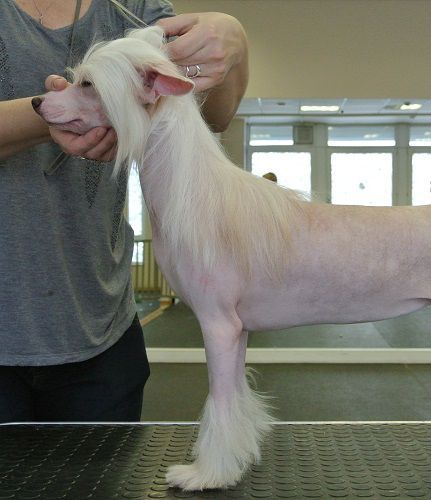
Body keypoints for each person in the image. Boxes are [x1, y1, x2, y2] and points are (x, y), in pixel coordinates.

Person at [0, 0, 249, 422]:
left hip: (101, 327)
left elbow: (215, 113)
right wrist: (70, 109)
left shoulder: (133, 10)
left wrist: (234, 43)